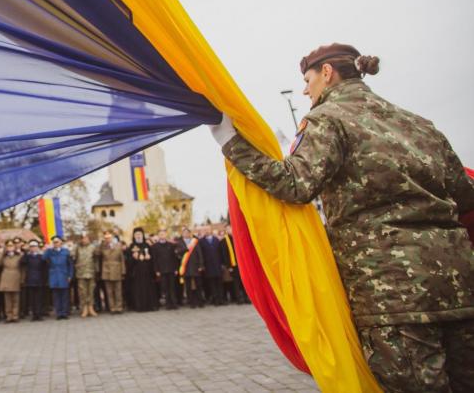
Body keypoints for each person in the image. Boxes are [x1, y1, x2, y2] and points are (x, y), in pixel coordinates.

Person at [209, 42, 474, 392]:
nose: (305, 89)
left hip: (392, 293)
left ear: (328, 73)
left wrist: (230, 141)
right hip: (460, 284)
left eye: (308, 79)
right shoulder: (419, 123)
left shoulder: (328, 118)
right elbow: (464, 196)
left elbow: (295, 183)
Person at [44, 236, 74, 319]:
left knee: (64, 296)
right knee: (56, 296)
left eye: (57, 242)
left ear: (61, 243)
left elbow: (70, 265)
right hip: (54, 276)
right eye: (54, 242)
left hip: (63, 275)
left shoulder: (66, 252)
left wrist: (70, 275)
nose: (55, 243)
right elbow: (43, 258)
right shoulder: (50, 252)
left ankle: (64, 313)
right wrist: (48, 249)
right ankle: (59, 313)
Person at [127, 227, 157, 311]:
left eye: (140, 234)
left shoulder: (147, 245)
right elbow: (128, 261)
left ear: (142, 235)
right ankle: (139, 306)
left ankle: (149, 306)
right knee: (137, 290)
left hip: (146, 271)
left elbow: (152, 258)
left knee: (148, 288)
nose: (138, 236)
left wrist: (149, 257)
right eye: (136, 234)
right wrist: (133, 258)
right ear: (134, 236)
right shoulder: (131, 246)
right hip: (136, 273)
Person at [176, 227, 204, 308]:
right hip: (186, 267)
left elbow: (200, 253)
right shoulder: (179, 242)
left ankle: (200, 301)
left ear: (189, 233)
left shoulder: (195, 241)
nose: (186, 234)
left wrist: (201, 265)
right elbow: (178, 252)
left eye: (187, 232)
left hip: (195, 266)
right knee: (188, 286)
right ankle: (191, 302)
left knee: (198, 285)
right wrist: (186, 249)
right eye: (184, 233)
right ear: (182, 234)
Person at [73, 233, 100, 317]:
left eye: (86, 238)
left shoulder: (93, 247)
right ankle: (84, 308)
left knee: (91, 291)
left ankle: (91, 308)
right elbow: (73, 257)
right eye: (83, 238)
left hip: (91, 272)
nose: (84, 240)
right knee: (82, 292)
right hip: (81, 273)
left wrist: (97, 270)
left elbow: (97, 257)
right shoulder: (77, 248)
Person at [150, 229, 179, 309]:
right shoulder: (154, 247)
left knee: (172, 287)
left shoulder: (171, 245)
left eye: (163, 234)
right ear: (158, 236)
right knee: (165, 288)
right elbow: (154, 260)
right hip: (162, 270)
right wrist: (156, 270)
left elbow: (174, 258)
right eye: (160, 234)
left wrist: (176, 269)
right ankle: (168, 304)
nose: (162, 235)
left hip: (171, 269)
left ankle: (174, 303)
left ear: (166, 235)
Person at [99, 231, 125, 313]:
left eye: (109, 237)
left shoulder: (118, 246)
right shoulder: (103, 247)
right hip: (107, 270)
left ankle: (119, 307)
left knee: (118, 290)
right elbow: (97, 253)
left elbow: (122, 260)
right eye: (106, 238)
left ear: (112, 238)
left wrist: (123, 271)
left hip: (117, 269)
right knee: (109, 291)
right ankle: (112, 308)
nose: (108, 239)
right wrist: (102, 244)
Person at [197, 226, 224, 306]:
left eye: (208, 229)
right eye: (205, 230)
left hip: (218, 265)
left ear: (211, 230)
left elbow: (221, 252)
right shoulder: (201, 241)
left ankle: (221, 299)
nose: (207, 231)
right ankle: (215, 299)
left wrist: (222, 263)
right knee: (211, 284)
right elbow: (201, 254)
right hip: (208, 266)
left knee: (219, 283)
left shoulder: (216, 240)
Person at [21, 239, 46, 320]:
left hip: (39, 280)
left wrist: (44, 279)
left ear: (37, 247)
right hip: (30, 280)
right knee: (32, 299)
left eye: (34, 247)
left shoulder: (41, 257)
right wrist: (25, 252)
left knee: (39, 298)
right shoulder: (28, 257)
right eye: (31, 247)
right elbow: (22, 262)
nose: (33, 248)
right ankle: (34, 315)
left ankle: (39, 314)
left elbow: (45, 268)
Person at [221, 225, 246, 304]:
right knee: (236, 283)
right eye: (228, 229)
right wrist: (229, 266)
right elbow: (224, 255)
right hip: (233, 265)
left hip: (241, 264)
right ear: (226, 230)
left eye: (231, 228)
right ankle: (239, 299)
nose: (230, 230)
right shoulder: (224, 241)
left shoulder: (237, 238)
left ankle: (246, 297)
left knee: (244, 282)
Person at [0, 239, 22, 323]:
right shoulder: (4, 256)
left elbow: (23, 268)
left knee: (16, 299)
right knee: (7, 300)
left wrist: (22, 279)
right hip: (6, 278)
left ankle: (15, 316)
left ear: (14, 247)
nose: (10, 248)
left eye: (11, 246)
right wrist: (2, 252)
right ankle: (9, 316)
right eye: (8, 246)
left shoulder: (19, 256)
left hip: (16, 277)